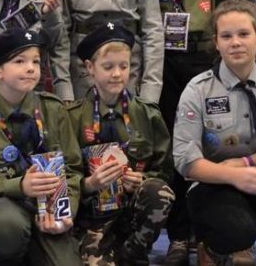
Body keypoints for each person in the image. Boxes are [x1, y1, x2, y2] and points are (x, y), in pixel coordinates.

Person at [150, 0, 256, 265]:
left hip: (202, 57)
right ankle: (179, 237)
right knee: (173, 150)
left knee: (212, 143)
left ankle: (209, 236)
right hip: (164, 61)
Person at [173, 0, 256, 266]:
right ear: (216, 42)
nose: (235, 42)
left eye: (244, 34)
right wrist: (231, 175)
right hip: (212, 185)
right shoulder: (198, 89)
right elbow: (185, 159)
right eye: (226, 36)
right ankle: (212, 247)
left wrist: (245, 164)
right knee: (239, 231)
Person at [0, 28, 83, 265]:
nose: (31, 68)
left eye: (36, 61)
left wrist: (66, 210)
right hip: (7, 205)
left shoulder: (54, 109)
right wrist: (19, 186)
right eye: (19, 61)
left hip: (50, 205)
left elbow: (73, 169)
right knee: (7, 227)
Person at [66, 23, 175, 265]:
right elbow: (66, 174)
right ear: (90, 68)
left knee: (159, 191)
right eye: (108, 67)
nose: (117, 74)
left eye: (124, 66)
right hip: (92, 215)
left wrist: (141, 180)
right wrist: (89, 184)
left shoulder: (147, 114)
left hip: (132, 212)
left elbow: (165, 169)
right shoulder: (72, 117)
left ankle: (134, 252)